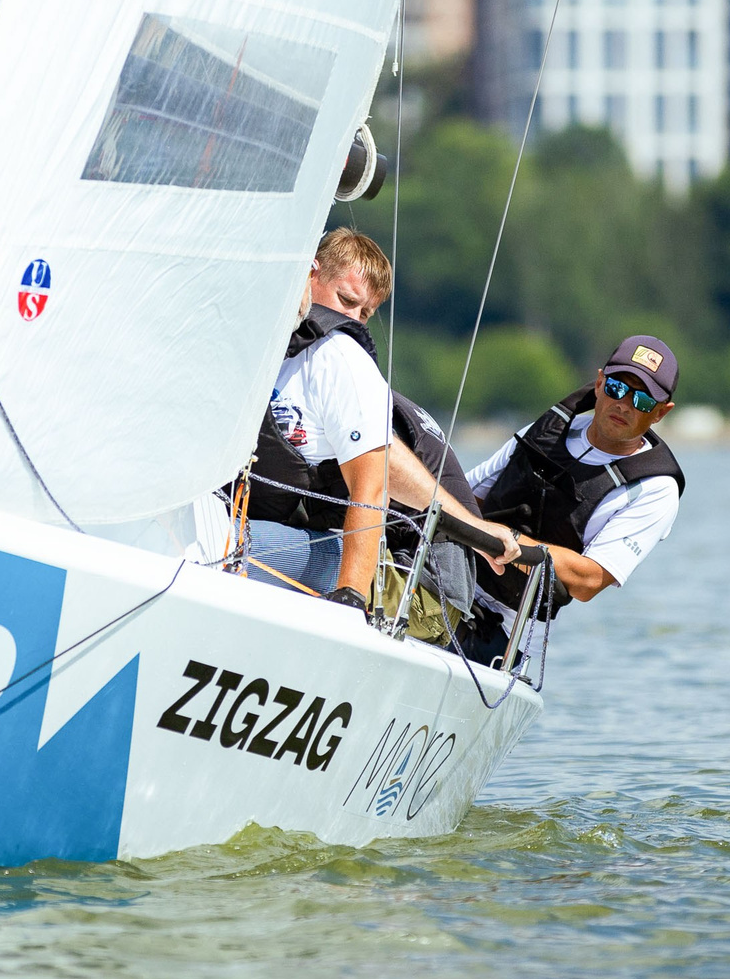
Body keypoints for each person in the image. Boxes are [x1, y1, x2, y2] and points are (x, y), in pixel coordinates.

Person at [237, 228, 494, 624]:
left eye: (365, 313)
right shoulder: (264, 346)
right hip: (296, 535)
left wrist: (351, 601)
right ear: (310, 275)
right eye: (346, 301)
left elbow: (371, 488)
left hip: (386, 565)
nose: (352, 320)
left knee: (222, 549)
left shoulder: (341, 360)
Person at [447, 335, 686, 669]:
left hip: (501, 628)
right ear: (600, 382)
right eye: (618, 388)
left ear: (661, 412)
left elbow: (589, 581)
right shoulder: (545, 430)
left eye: (642, 401)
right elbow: (463, 495)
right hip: (442, 576)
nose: (624, 405)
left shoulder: (654, 488)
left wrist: (511, 543)